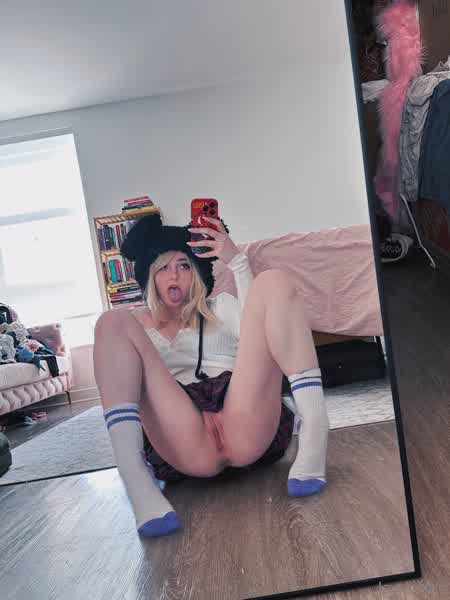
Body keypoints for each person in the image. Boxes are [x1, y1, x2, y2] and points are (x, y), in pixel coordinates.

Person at [93, 213, 329, 538]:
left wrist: (238, 262)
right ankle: (133, 476)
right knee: (110, 321)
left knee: (273, 281)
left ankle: (316, 427)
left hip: (244, 420)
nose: (175, 275)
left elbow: (263, 327)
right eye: (163, 268)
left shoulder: (221, 307)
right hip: (183, 438)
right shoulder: (135, 329)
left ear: (197, 272)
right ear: (149, 277)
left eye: (184, 265)